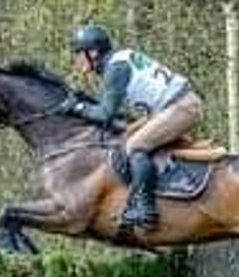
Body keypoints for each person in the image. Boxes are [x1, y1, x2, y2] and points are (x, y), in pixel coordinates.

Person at [60, 24, 203, 230]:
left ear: (93, 52)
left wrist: (78, 107)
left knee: (135, 146)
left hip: (179, 107)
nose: (76, 60)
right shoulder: (120, 58)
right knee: (128, 135)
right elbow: (113, 113)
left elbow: (104, 114)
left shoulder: (115, 69)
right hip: (172, 105)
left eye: (78, 53)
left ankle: (144, 208)